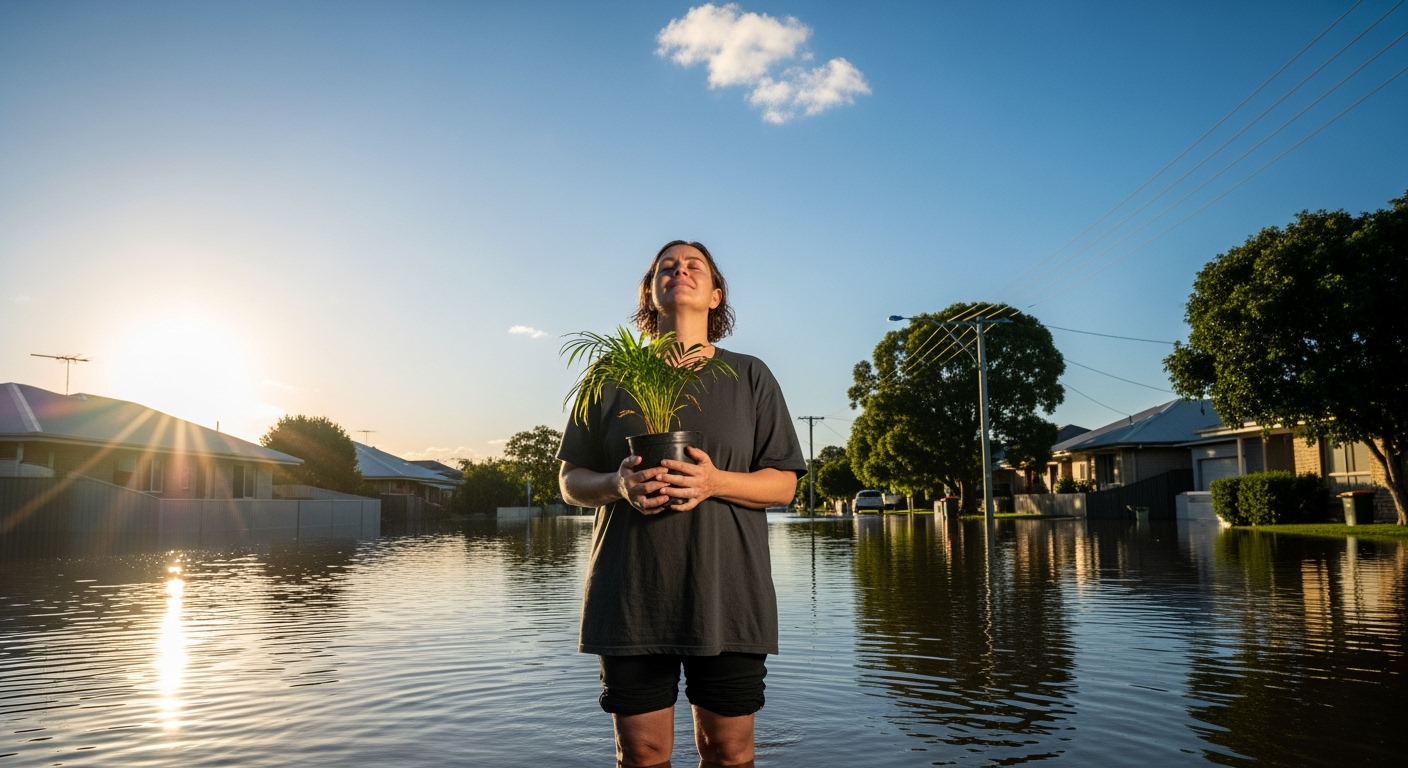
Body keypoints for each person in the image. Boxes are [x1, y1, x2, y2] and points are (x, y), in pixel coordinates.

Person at [557, 240, 806, 767]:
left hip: (729, 595)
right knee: (642, 754)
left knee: (729, 753)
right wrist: (617, 485)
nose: (680, 270)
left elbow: (784, 485)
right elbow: (569, 481)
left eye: (695, 266)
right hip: (630, 598)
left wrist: (715, 482)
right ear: (651, 292)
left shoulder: (750, 375)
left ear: (716, 295)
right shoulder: (608, 377)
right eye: (666, 266)